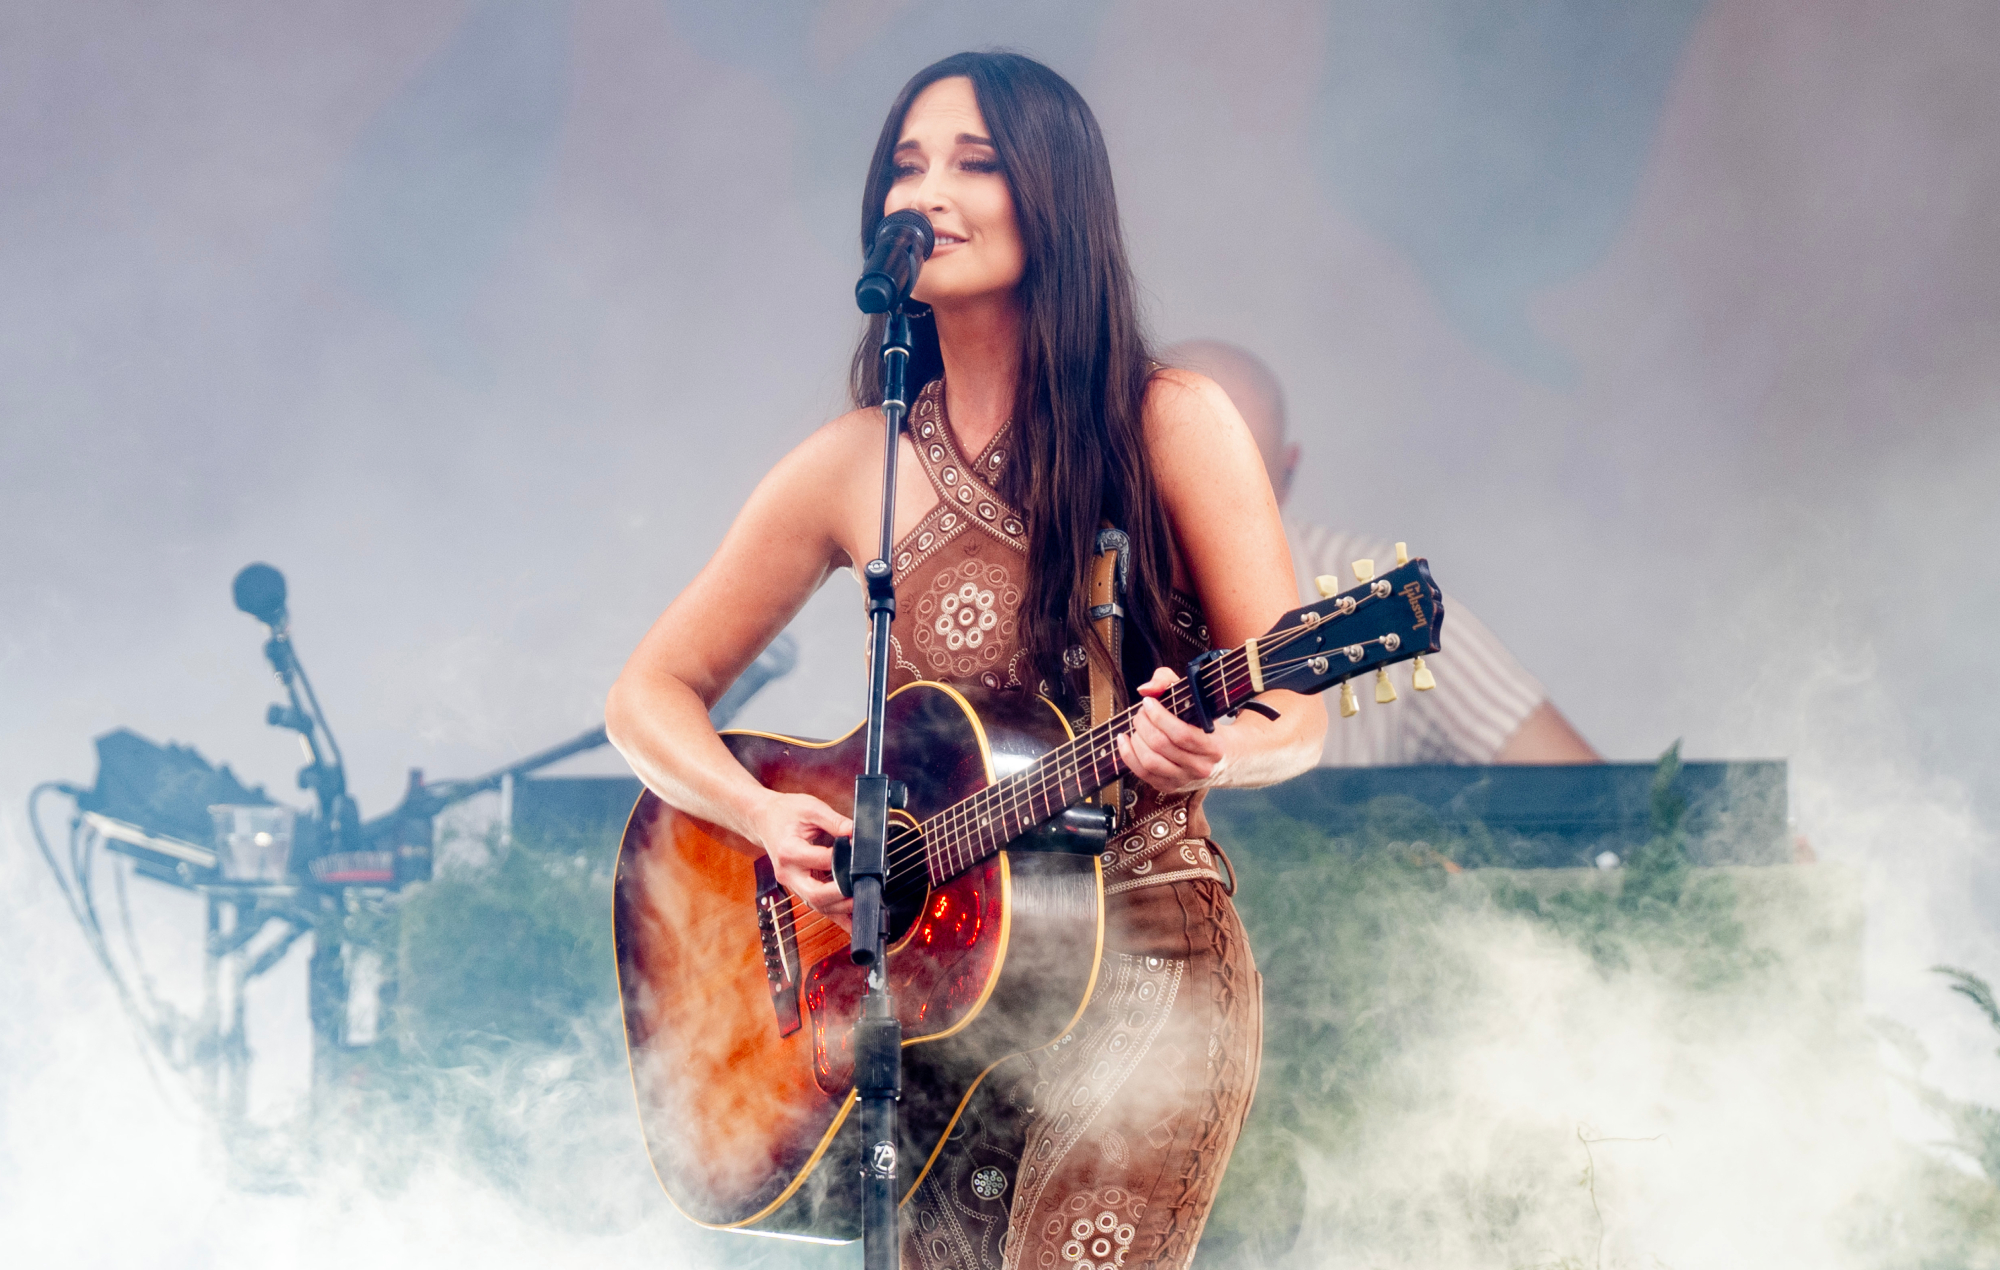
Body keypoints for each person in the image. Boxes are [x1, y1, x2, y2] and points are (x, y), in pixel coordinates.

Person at [605, 54, 1325, 1270]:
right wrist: (764, 816)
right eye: (907, 163)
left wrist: (1216, 747)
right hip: (936, 996)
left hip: (1145, 943)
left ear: (1054, 196)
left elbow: (1296, 710)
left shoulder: (1168, 421)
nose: (929, 190)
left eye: (974, 163)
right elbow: (643, 696)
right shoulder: (854, 464)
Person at [1161, 339, 1599, 765]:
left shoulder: (1381, 596)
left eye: (1235, 481)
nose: (1200, 513)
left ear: (1287, 473)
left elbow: (1582, 799)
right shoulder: (1094, 590)